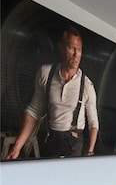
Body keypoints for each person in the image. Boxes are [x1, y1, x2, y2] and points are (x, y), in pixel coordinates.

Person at [7, 25, 99, 159]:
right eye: (71, 48)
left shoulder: (87, 85)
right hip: (52, 141)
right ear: (61, 48)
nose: (76, 54)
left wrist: (90, 152)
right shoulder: (45, 74)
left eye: (79, 50)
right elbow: (33, 112)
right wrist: (17, 147)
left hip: (74, 145)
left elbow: (93, 123)